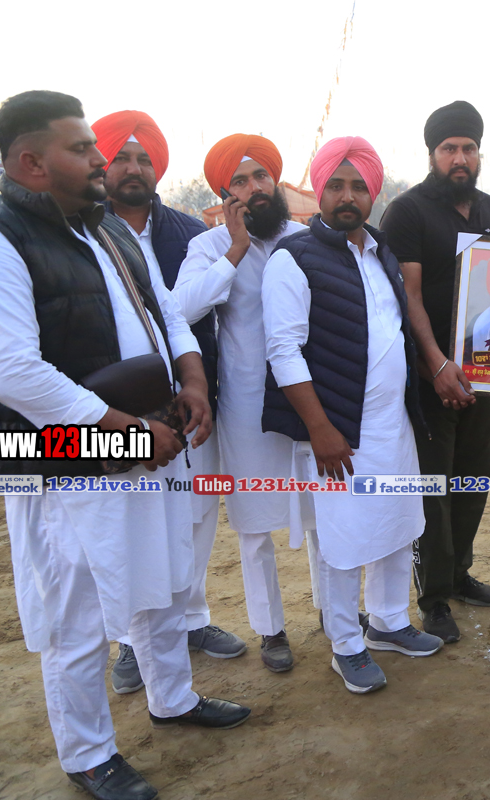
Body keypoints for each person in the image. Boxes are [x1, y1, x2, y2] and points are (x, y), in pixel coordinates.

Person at [0, 90, 249, 800]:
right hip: (59, 459)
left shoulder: (105, 227)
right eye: (82, 148)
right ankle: (87, 753)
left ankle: (172, 698)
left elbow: (166, 312)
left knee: (165, 581)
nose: (99, 159)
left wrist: (193, 379)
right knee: (74, 612)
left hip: (147, 440)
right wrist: (124, 427)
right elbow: (13, 372)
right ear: (32, 161)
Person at [262, 136, 443, 694]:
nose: (347, 196)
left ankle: (388, 621)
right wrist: (320, 427)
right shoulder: (292, 258)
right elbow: (283, 350)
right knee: (342, 539)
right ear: (319, 190)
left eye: (358, 186)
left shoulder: (382, 251)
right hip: (338, 427)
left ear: (373, 193)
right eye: (336, 185)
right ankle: (346, 643)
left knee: (397, 525)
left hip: (393, 423)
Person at [92, 110, 247, 695]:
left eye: (144, 159)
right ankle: (134, 641)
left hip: (192, 403)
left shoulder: (186, 232)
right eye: (121, 157)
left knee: (197, 515)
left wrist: (197, 385)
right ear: (101, 164)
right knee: (135, 523)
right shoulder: (85, 233)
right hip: (117, 411)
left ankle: (191, 619)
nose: (134, 168)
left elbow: (192, 316)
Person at [173, 134, 309, 672]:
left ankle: (336, 612)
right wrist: (234, 249)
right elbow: (181, 309)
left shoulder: (304, 237)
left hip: (309, 400)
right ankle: (271, 630)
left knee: (322, 513)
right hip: (246, 405)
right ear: (225, 193)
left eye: (262, 176)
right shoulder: (209, 246)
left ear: (276, 180)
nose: (255, 188)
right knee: (254, 523)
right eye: (241, 181)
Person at [379, 101, 490, 643]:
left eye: (468, 148)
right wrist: (436, 364)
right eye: (449, 148)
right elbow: (408, 297)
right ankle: (433, 597)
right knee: (433, 488)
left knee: (474, 479)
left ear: (479, 153)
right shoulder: (407, 212)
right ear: (432, 154)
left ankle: (458, 574)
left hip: (485, 374)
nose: (460, 158)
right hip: (430, 378)